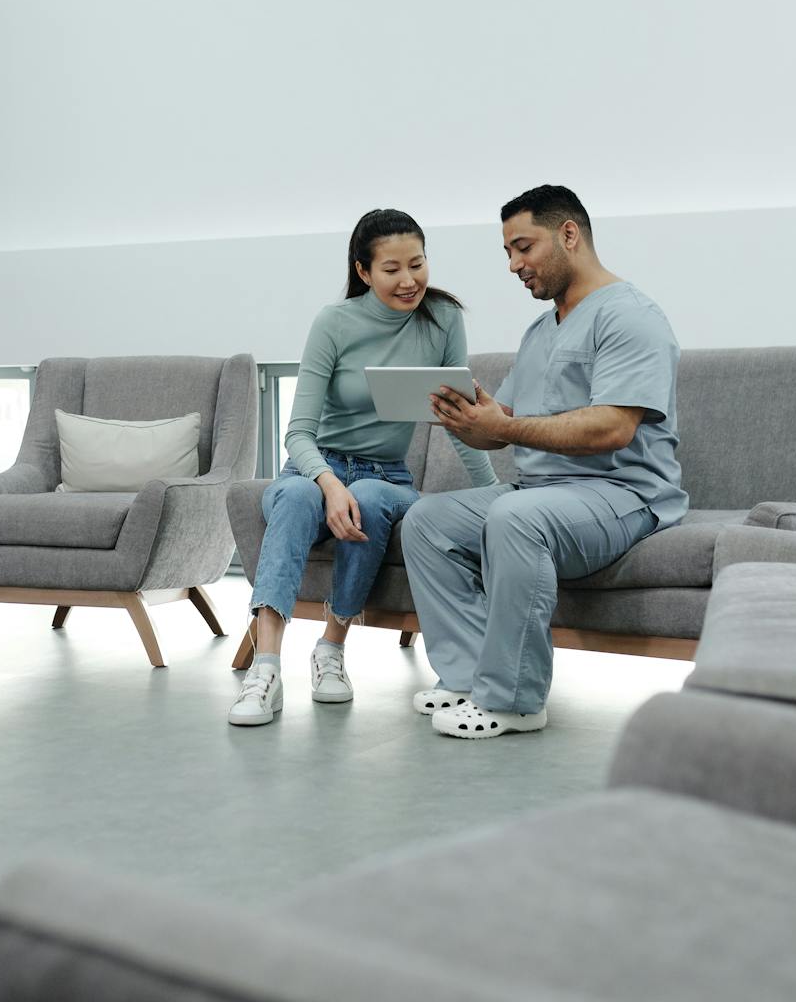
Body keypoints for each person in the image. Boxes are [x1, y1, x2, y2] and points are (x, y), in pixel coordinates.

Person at [404, 185, 687, 739]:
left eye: (523, 247)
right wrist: (469, 418)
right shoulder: (541, 330)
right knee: (426, 521)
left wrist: (502, 426)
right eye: (508, 252)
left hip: (624, 496)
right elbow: (504, 425)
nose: (514, 265)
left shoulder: (631, 317)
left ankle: (514, 700)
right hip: (540, 491)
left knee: (516, 519)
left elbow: (613, 427)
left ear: (569, 234)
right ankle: (466, 677)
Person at [230, 209, 498, 727]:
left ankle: (331, 651)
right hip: (317, 468)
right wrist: (328, 483)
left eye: (417, 264)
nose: (409, 280)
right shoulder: (334, 324)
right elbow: (298, 434)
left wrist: (493, 494)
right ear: (363, 272)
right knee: (295, 499)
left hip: (388, 477)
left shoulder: (443, 321)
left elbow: (458, 420)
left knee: (373, 498)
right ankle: (264, 671)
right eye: (392, 269)